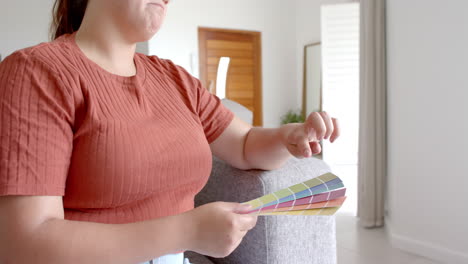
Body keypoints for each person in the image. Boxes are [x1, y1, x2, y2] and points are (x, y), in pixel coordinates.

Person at [0, 0, 340, 263]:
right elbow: (24, 244)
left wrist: (288, 137)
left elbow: (245, 144)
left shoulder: (174, 79)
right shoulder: (35, 73)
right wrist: (187, 230)